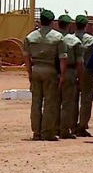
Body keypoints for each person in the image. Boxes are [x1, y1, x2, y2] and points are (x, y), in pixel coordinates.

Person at [23, 10, 67, 141]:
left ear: (40, 21)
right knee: (50, 102)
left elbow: (26, 57)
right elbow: (63, 58)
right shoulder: (58, 37)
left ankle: (36, 131)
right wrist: (62, 76)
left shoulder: (30, 37)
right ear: (52, 22)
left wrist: (30, 72)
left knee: (36, 102)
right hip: (50, 70)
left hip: (36, 69)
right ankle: (47, 132)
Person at [56, 15, 84, 139]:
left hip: (54, 71)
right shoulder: (74, 41)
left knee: (53, 102)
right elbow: (79, 63)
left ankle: (52, 128)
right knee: (67, 103)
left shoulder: (53, 38)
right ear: (69, 25)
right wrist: (80, 78)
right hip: (69, 71)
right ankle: (64, 130)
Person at [75, 15, 93, 137]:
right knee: (86, 100)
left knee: (70, 99)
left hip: (71, 70)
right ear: (85, 26)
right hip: (87, 71)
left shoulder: (68, 39)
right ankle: (82, 126)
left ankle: (69, 124)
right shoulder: (92, 41)